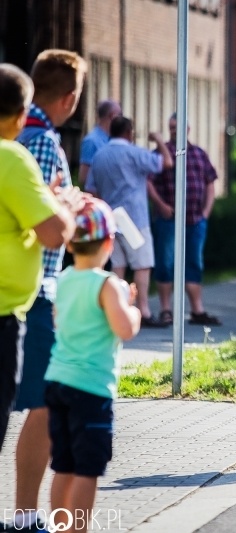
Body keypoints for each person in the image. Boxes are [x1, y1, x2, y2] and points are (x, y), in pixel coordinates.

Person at [12, 49, 87, 532]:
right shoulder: (38, 143)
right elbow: (42, 223)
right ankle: (23, 516)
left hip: (23, 291)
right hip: (34, 292)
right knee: (41, 404)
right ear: (72, 97)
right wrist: (70, 207)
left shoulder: (21, 135)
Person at [44, 198, 141, 533]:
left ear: (70, 242)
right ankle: (78, 530)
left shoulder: (64, 279)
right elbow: (124, 329)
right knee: (88, 470)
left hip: (57, 382)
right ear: (109, 242)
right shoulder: (107, 284)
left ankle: (59, 528)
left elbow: (60, 319)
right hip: (90, 389)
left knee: (63, 465)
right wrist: (133, 309)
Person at [0, 63, 76, 457]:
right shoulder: (13, 156)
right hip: (10, 308)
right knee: (38, 402)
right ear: (17, 114)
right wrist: (59, 203)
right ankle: (24, 515)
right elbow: (54, 233)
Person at [88, 115, 173, 326]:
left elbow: (91, 188)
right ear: (129, 133)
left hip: (110, 219)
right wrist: (160, 141)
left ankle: (118, 308)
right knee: (142, 265)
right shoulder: (135, 153)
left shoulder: (99, 156)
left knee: (118, 267)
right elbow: (167, 162)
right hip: (135, 219)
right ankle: (143, 310)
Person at [148, 112, 221, 326]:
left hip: (195, 220)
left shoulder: (199, 153)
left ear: (187, 129)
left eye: (177, 127)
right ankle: (165, 309)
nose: (173, 131)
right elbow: (148, 181)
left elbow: (210, 183)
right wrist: (160, 205)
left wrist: (206, 212)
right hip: (168, 220)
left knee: (194, 263)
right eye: (170, 127)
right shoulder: (162, 154)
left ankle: (197, 310)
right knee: (165, 263)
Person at [78, 99, 121, 187]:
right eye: (120, 115)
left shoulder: (113, 139)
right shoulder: (92, 141)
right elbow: (83, 177)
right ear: (112, 116)